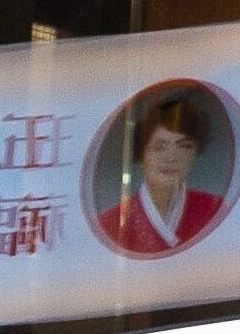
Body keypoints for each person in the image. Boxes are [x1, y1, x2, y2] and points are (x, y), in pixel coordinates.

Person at [93, 93, 224, 255]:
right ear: (142, 154)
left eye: (183, 146)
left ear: (194, 153)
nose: (171, 157)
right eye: (159, 147)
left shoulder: (215, 208)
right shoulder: (109, 223)